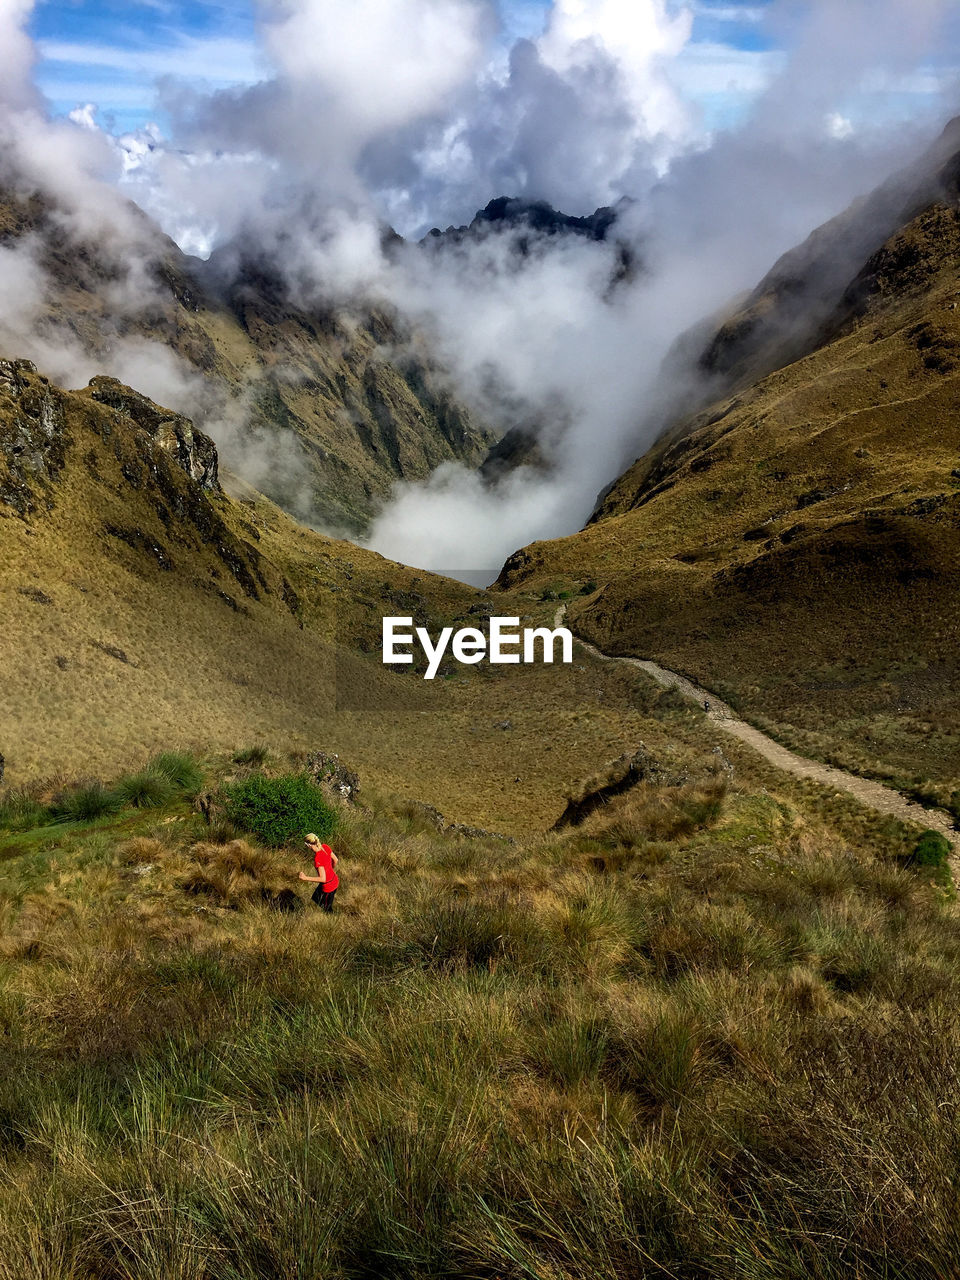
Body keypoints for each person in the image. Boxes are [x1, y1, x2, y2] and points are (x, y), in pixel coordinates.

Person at [299, 832, 339, 911]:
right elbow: (336, 860)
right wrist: (330, 869)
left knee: (327, 909)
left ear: (309, 845)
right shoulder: (325, 846)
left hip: (329, 886)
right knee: (315, 898)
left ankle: (334, 919)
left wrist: (305, 878)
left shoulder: (318, 858)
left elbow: (323, 879)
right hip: (335, 880)